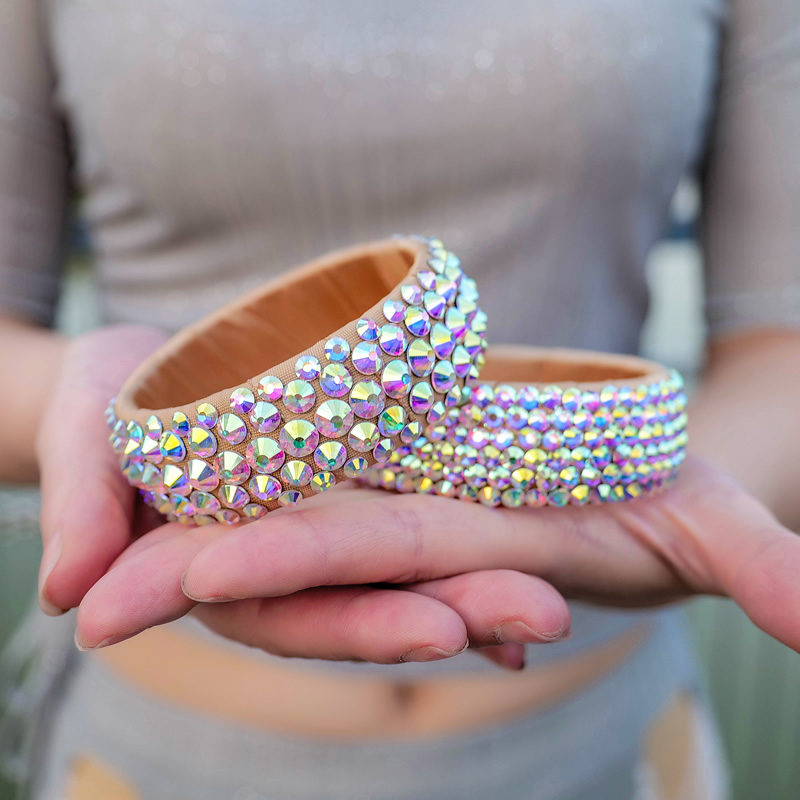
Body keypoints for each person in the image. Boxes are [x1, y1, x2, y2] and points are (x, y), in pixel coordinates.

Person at [1, 1, 799, 798]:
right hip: (151, 753)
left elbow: (780, 345)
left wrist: (710, 493)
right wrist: (66, 396)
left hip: (619, 737)